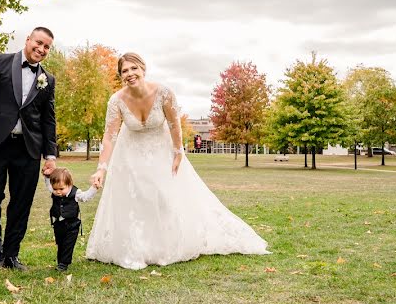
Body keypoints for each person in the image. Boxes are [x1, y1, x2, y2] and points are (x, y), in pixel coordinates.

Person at [86, 53, 269, 270]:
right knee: (137, 201)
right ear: (120, 75)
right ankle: (138, 249)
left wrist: (178, 151)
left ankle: (166, 247)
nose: (130, 74)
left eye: (133, 68)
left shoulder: (163, 93)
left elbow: (174, 124)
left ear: (143, 69)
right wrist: (101, 169)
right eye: (124, 71)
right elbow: (109, 137)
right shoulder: (116, 101)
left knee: (164, 197)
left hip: (162, 151)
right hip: (130, 155)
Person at [0, 27, 58, 270]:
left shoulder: (48, 79)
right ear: (28, 39)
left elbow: (48, 119)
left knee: (22, 202)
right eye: (39, 42)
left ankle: (10, 255)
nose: (41, 49)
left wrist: (50, 155)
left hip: (28, 149)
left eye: (47, 47)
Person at [42, 167, 98, 271]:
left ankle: (64, 264)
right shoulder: (54, 191)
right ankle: (60, 261)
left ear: (70, 184)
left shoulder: (76, 193)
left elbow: (86, 197)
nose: (58, 192)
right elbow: (49, 186)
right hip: (58, 224)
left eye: (61, 189)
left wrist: (94, 188)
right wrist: (46, 176)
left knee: (68, 244)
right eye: (55, 189)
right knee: (60, 243)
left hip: (72, 225)